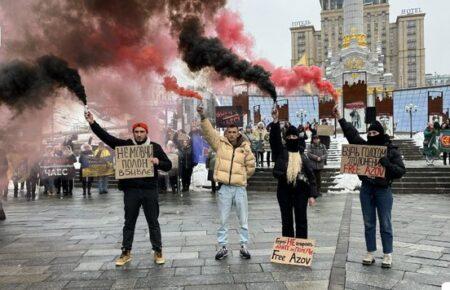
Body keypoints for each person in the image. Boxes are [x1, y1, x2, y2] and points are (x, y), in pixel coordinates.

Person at [85, 111, 172, 266]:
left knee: (153, 221)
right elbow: (107, 137)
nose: (139, 134)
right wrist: (93, 123)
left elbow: (168, 165)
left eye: (142, 132)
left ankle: (158, 250)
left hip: (149, 190)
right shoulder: (125, 145)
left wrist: (158, 161)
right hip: (130, 191)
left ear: (146, 133)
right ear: (133, 133)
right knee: (129, 222)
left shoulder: (155, 147)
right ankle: (126, 252)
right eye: (136, 132)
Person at [332, 105, 406, 268]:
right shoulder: (365, 147)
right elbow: (352, 135)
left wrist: (387, 165)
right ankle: (370, 252)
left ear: (381, 133)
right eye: (370, 133)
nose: (372, 135)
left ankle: (387, 254)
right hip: (366, 189)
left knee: (385, 222)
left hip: (383, 190)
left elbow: (401, 171)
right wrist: (340, 119)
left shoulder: (391, 150)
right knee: (368, 222)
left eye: (375, 133)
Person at [197, 104, 256, 260]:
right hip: (225, 189)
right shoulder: (220, 145)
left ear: (238, 133)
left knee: (243, 219)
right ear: (226, 133)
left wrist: (242, 177)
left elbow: (251, 167)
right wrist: (203, 117)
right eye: (229, 132)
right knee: (223, 219)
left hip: (239, 189)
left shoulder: (245, 147)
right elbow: (209, 133)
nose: (231, 134)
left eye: (234, 132)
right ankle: (223, 247)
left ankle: (244, 246)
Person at [270, 109, 318, 239]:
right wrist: (275, 121)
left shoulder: (302, 156)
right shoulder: (281, 152)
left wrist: (312, 195)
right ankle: (288, 249)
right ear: (286, 138)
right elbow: (274, 140)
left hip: (301, 192)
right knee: (286, 221)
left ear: (298, 138)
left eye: (294, 136)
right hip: (284, 190)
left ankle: (301, 250)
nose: (292, 138)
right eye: (289, 136)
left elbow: (311, 176)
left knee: (301, 220)